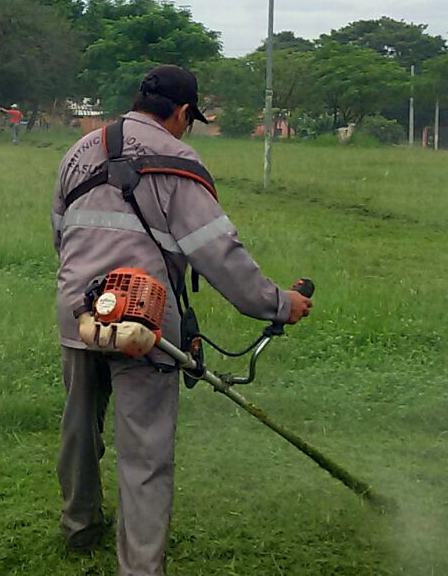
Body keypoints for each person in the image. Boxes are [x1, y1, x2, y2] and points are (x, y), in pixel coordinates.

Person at [51, 64, 312, 575]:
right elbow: (218, 252)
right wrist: (278, 304)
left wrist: (88, 293)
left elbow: (60, 236)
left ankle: (79, 525)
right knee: (145, 451)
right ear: (183, 112)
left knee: (79, 425)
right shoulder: (178, 160)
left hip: (79, 310)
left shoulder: (79, 150)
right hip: (144, 320)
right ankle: (139, 567)